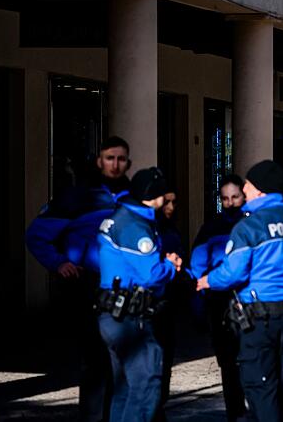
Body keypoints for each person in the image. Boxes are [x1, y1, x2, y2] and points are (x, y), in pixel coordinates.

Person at [196, 161, 283, 422]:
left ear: (259, 190)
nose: (244, 189)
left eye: (248, 185)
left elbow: (234, 273)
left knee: (261, 384)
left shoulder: (249, 227)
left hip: (258, 317)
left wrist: (208, 281)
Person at [25, 136, 132, 422]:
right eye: (109, 158)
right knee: (96, 362)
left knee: (125, 361)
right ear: (99, 161)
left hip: (130, 289)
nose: (115, 164)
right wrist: (59, 263)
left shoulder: (135, 196)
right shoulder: (75, 197)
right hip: (92, 288)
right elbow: (36, 235)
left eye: (121, 158)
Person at [96, 167, 182, 422]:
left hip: (114, 313)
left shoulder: (123, 216)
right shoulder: (134, 225)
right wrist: (171, 265)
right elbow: (151, 274)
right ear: (153, 194)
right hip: (130, 317)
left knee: (124, 388)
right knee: (146, 384)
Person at [188, 175, 248, 421]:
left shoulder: (252, 225)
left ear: (243, 196)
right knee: (227, 362)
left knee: (249, 359)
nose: (230, 203)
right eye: (225, 198)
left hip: (248, 300)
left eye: (235, 197)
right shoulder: (211, 229)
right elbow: (197, 268)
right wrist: (199, 307)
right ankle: (236, 412)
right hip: (219, 302)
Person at [153, 189, 185, 422]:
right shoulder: (146, 230)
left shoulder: (172, 231)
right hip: (149, 303)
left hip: (168, 303)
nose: (171, 208)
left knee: (165, 360)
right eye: (167, 202)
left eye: (175, 202)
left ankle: (158, 405)